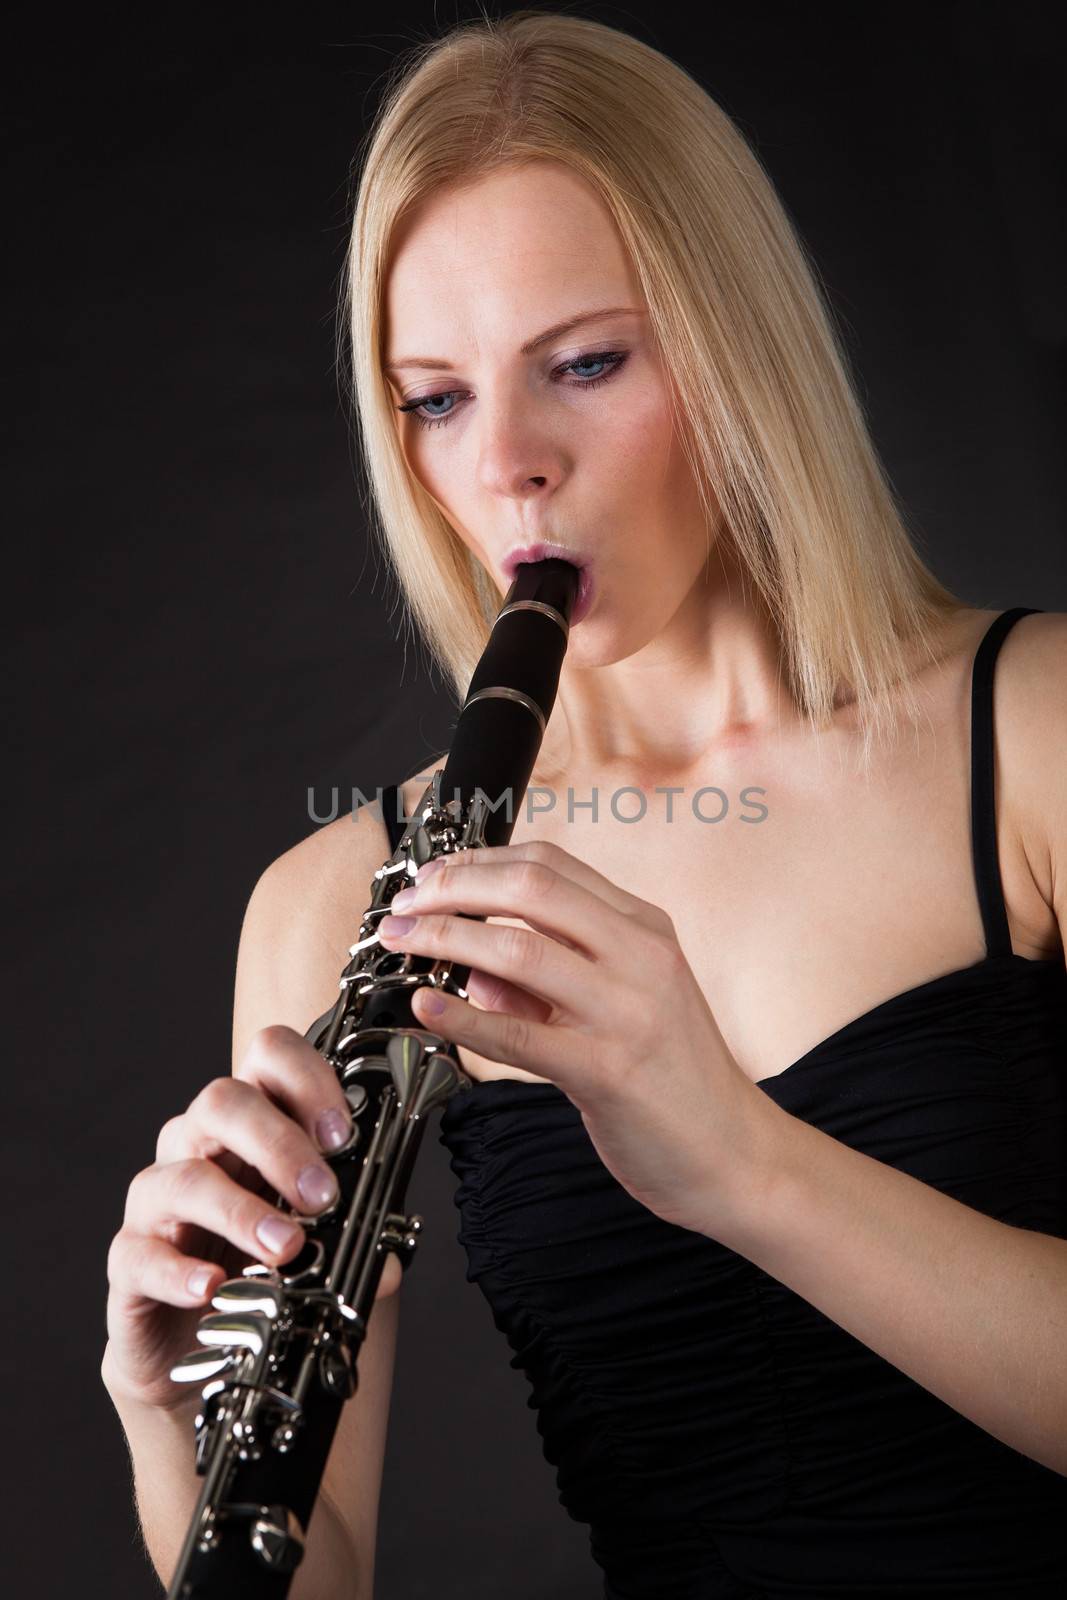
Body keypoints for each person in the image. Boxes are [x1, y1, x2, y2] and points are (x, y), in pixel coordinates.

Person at [101, 11, 1067, 1597]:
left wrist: (743, 1163)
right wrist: (167, 1420)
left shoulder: (1036, 731)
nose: (511, 471)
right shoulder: (333, 900)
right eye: (437, 400)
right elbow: (313, 1571)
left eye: (588, 363)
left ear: (737, 343)